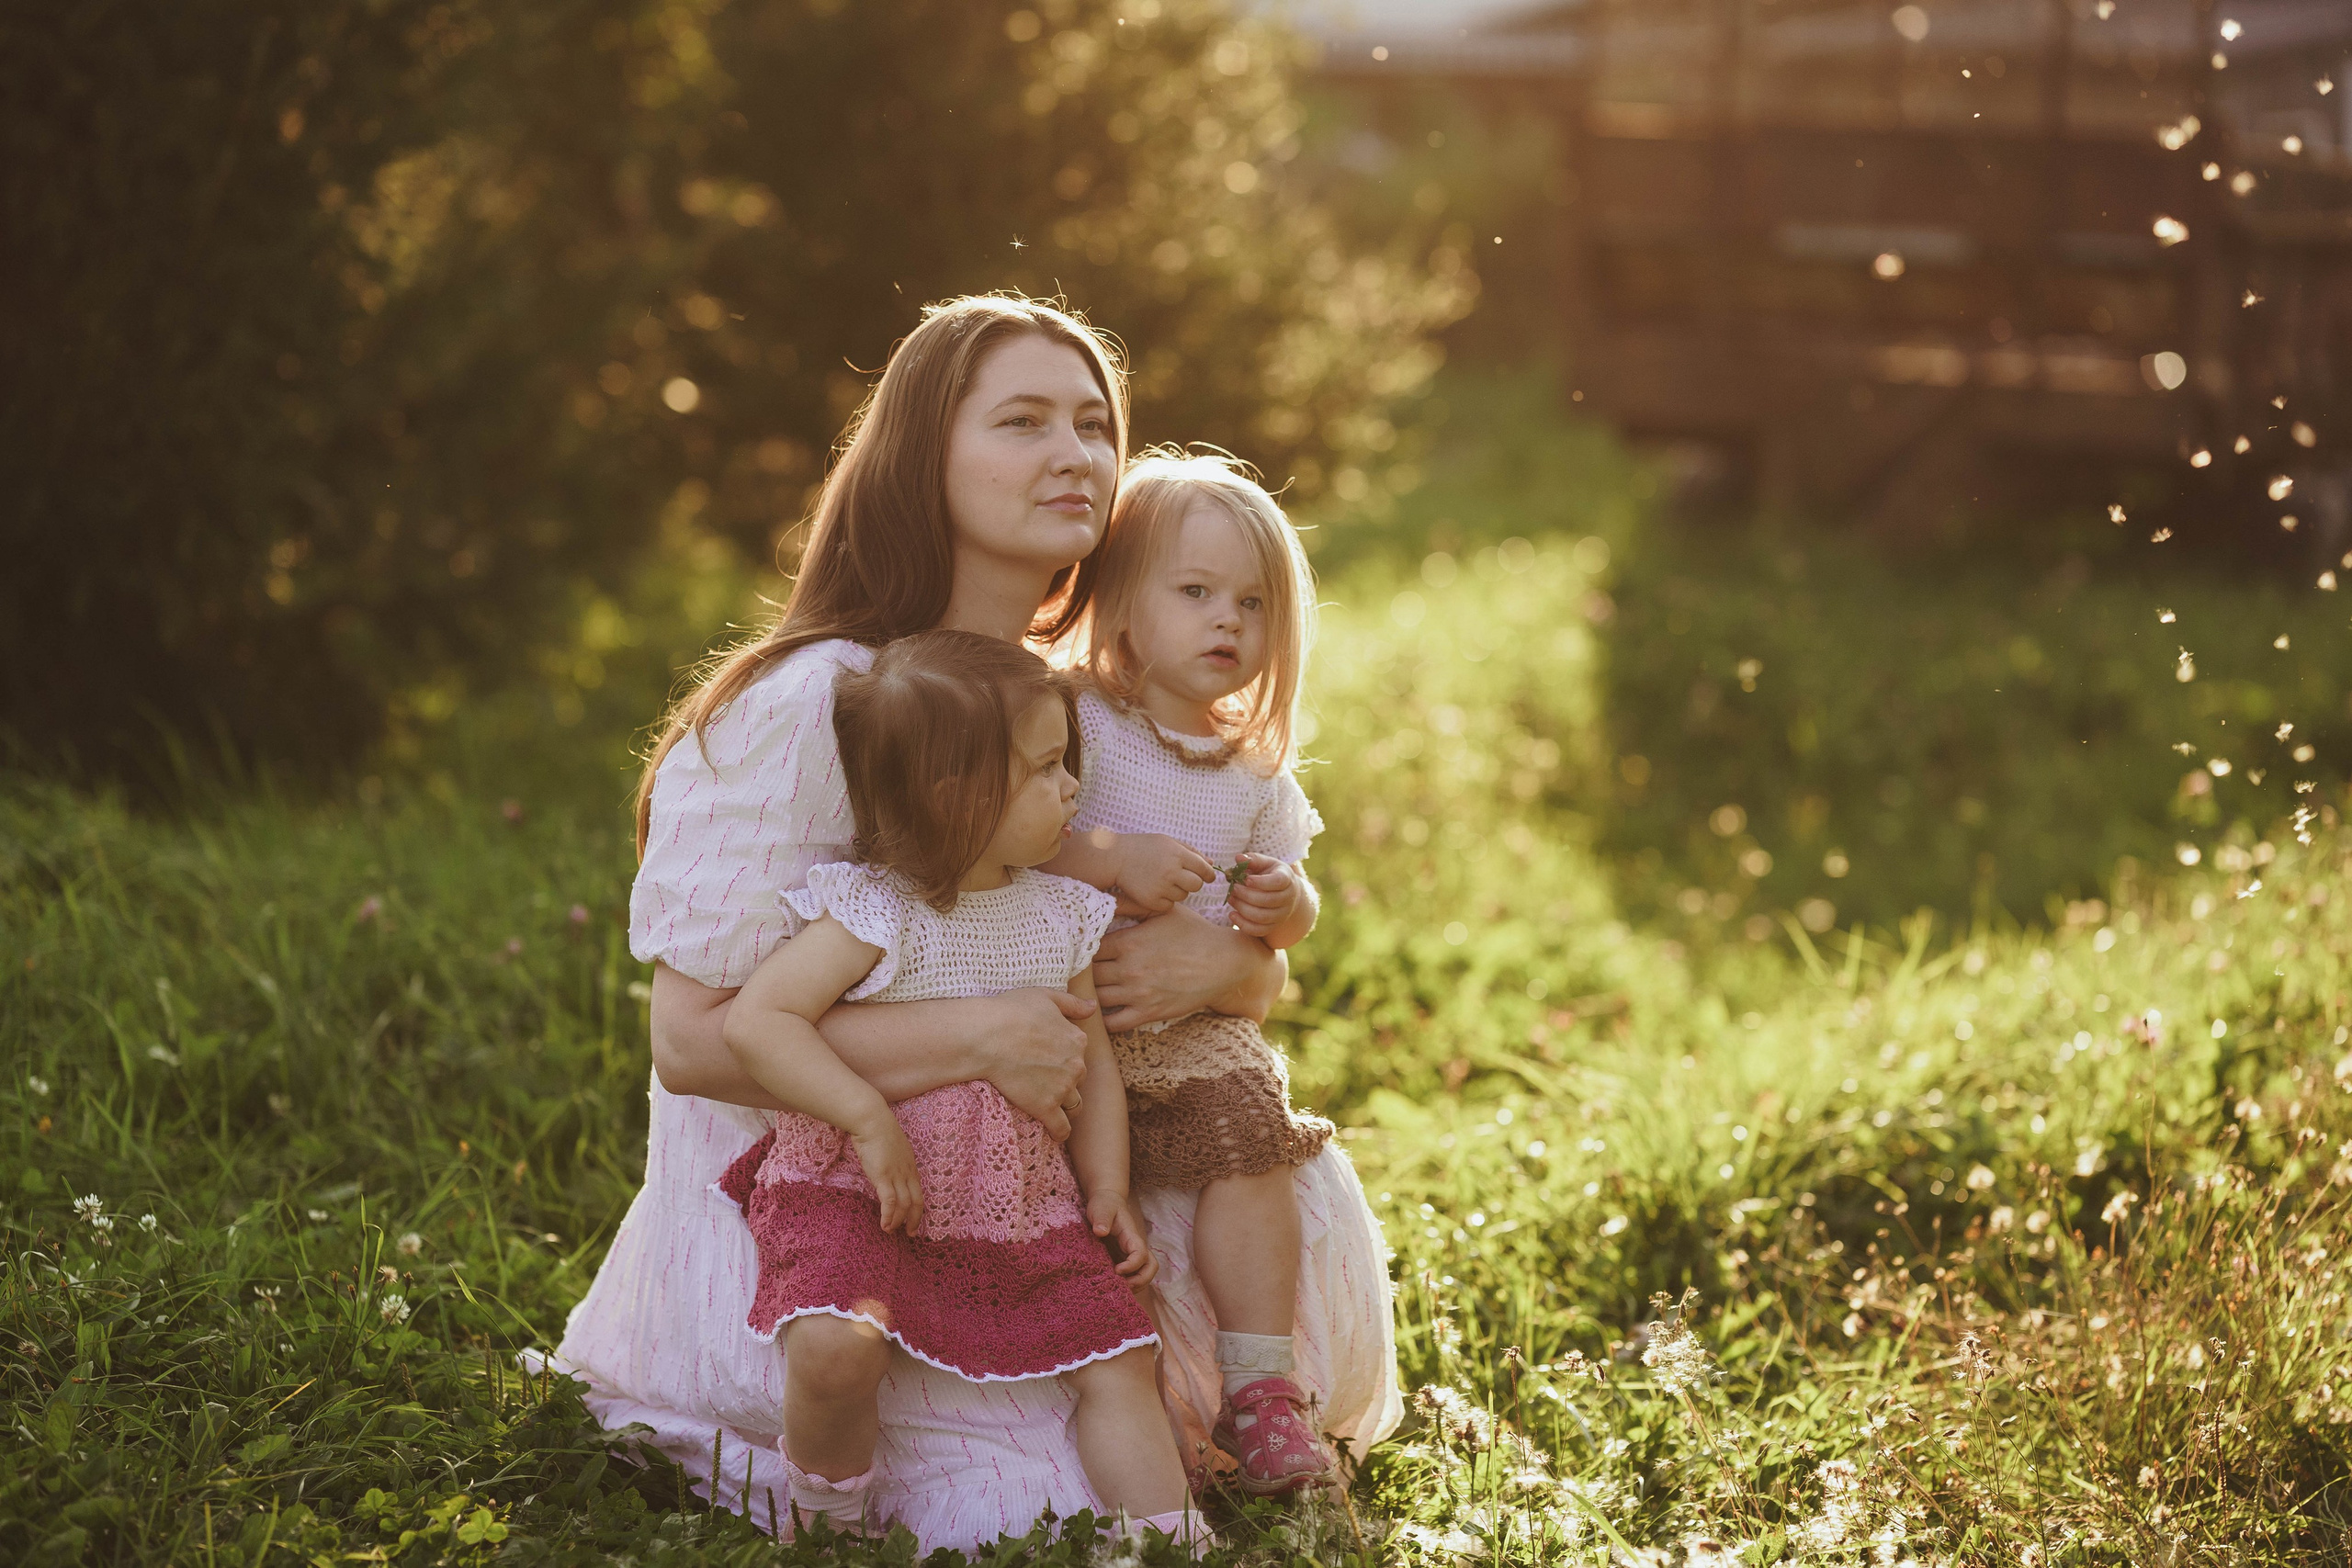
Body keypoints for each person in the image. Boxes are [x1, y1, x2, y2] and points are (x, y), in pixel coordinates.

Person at [541, 293, 1398, 1551]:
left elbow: (1170, 960)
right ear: (921, 455)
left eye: (1095, 424)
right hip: (830, 1195)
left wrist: (1230, 958)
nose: (1076, 453)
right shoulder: (818, 703)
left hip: (1031, 1166)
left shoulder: (1072, 709)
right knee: (1037, 1488)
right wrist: (981, 1032)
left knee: (1267, 1185)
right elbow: (693, 1041)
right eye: (1022, 420)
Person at [718, 631, 1192, 1540]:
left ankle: (1173, 1542)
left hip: (1016, 1196)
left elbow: (1088, 1059)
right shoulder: (877, 908)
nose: (1072, 790)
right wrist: (860, 1113)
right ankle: (826, 1527)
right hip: (865, 1189)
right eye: (1047, 769)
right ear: (955, 794)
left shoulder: (1060, 914)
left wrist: (1106, 1189)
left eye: (1067, 763)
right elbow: (757, 1022)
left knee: (1122, 1357)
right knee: (831, 1343)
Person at [1042, 451, 1339, 1495]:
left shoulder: (1256, 770)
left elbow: (1288, 902)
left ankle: (1259, 1391)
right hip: (1079, 1010)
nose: (1229, 623)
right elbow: (1018, 836)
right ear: (1122, 601)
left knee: (1253, 1133)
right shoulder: (1076, 718)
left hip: (1197, 1027)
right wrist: (1105, 860)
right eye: (1197, 593)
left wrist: (1280, 910)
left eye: (1253, 604)